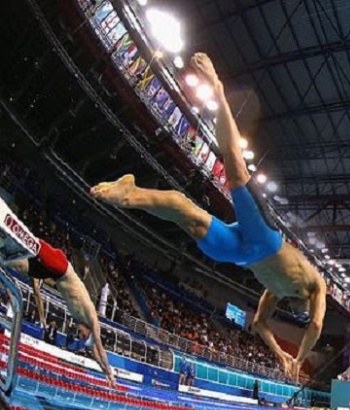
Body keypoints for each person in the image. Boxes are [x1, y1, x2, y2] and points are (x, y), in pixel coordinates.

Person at [90, 54, 326, 382]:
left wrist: (279, 352)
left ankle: (130, 193)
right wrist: (299, 359)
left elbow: (259, 324)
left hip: (240, 252)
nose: (302, 312)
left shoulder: (275, 293)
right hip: (264, 239)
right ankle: (217, 88)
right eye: (303, 312)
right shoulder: (316, 285)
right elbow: (317, 325)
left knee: (186, 213)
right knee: (235, 167)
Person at [9, 240, 116, 387]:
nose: (80, 335)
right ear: (90, 331)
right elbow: (100, 350)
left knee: (18, 265)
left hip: (55, 275)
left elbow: (95, 354)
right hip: (62, 268)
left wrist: (104, 373)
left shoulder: (81, 322)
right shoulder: (92, 318)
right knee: (33, 244)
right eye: (84, 336)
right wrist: (110, 373)